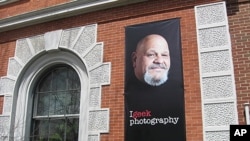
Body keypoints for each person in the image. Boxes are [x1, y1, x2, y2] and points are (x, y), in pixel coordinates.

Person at [125, 34, 185, 141]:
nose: (159, 61)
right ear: (134, 59)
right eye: (151, 54)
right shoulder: (122, 91)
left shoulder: (179, 91)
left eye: (165, 55)